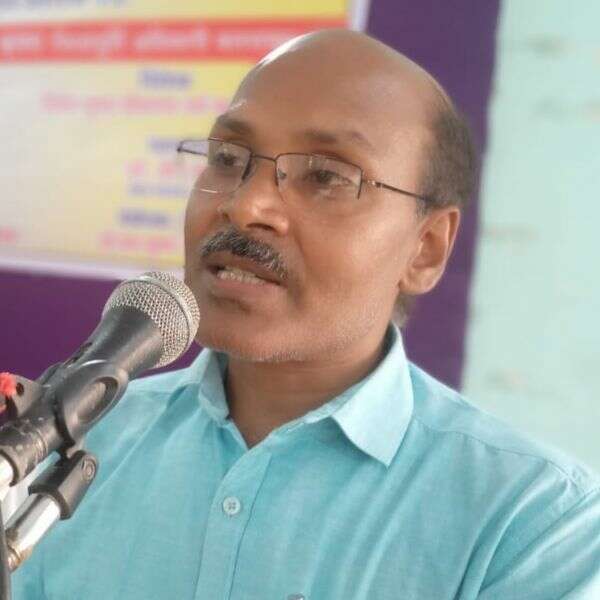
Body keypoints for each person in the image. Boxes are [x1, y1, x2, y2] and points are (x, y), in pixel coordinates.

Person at [12, 29, 600, 599]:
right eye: (228, 158)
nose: (246, 205)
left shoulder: (534, 524)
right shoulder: (73, 442)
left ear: (425, 249)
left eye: (326, 177)